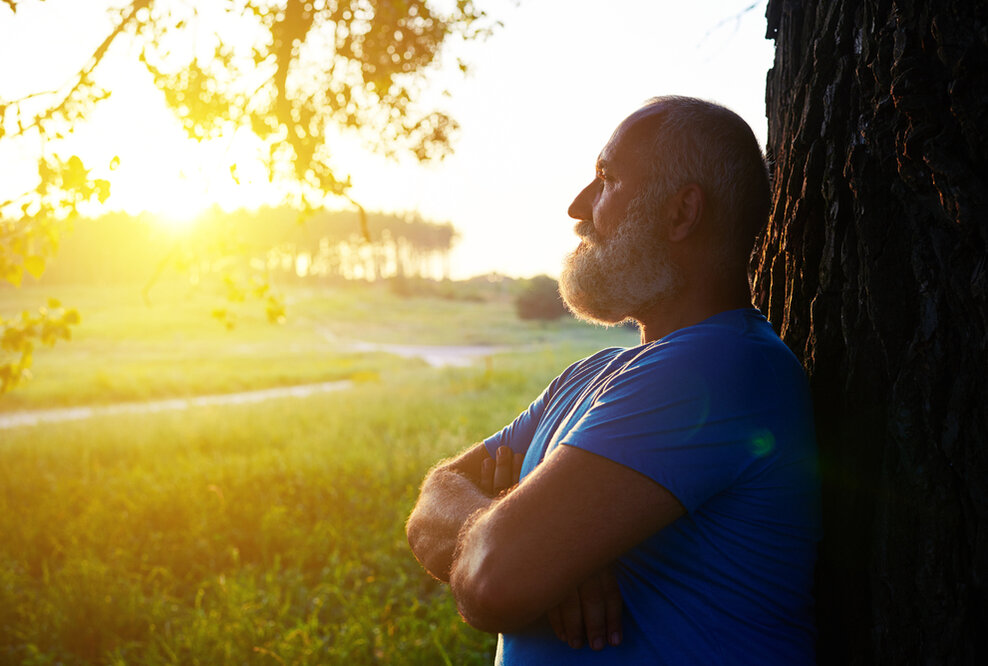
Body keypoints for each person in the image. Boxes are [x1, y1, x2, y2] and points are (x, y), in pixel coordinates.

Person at [405, 96, 821, 665]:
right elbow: (433, 502)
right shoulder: (589, 374)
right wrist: (523, 531)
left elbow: (494, 582)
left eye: (607, 179)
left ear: (681, 213)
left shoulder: (721, 366)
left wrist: (524, 541)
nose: (577, 206)